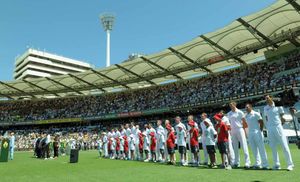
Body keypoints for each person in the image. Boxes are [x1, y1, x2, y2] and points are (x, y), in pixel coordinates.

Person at [264, 95, 294, 171]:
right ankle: (277, 164)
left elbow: (282, 118)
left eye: (267, 98)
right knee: (273, 147)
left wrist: (279, 125)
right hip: (270, 128)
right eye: (265, 99)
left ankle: (290, 164)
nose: (266, 100)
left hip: (278, 127)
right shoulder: (265, 108)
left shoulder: (278, 106)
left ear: (271, 98)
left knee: (284, 145)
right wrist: (269, 126)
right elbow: (267, 118)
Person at [245, 103, 269, 169]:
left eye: (247, 107)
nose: (246, 108)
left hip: (257, 132)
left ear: (251, 107)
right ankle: (257, 163)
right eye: (245, 107)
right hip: (250, 133)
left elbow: (261, 122)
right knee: (254, 149)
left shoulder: (256, 114)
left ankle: (265, 164)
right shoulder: (246, 116)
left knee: (261, 149)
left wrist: (260, 131)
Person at [227, 101, 251, 168]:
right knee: (235, 147)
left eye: (232, 104)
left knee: (244, 146)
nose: (231, 106)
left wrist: (246, 132)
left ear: (235, 104)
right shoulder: (229, 113)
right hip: (233, 130)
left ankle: (247, 162)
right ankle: (237, 162)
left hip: (240, 129)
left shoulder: (240, 112)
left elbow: (244, 123)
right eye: (230, 105)